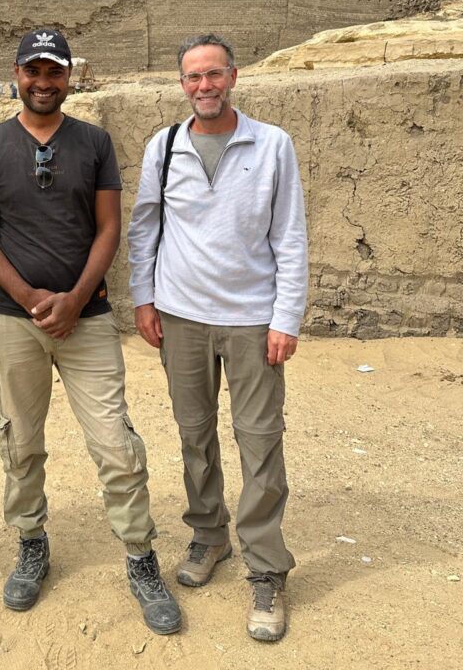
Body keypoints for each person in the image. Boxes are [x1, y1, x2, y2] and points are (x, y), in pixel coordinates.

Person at [0, 29, 181, 635]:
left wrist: (75, 299)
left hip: (86, 322)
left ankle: (140, 557)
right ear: (15, 74)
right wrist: (32, 297)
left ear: (69, 78)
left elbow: (108, 228)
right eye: (32, 71)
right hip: (14, 322)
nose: (42, 82)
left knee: (114, 442)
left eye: (53, 72)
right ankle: (31, 543)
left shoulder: (93, 142)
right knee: (20, 442)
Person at [127, 33, 308, 643]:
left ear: (233, 77)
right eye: (192, 78)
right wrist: (144, 298)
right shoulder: (166, 145)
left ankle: (266, 567)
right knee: (194, 434)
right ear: (182, 84)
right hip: (180, 317)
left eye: (213, 75)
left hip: (253, 319)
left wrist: (286, 316)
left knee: (260, 441)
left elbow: (289, 236)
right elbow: (146, 225)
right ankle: (209, 535)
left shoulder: (272, 144)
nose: (203, 86)